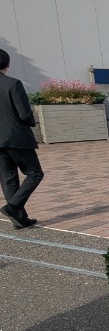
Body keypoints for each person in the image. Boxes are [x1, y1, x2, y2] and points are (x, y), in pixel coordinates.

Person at [0, 49, 43, 229]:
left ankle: (19, 219)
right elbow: (24, 113)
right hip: (16, 137)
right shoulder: (13, 84)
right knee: (34, 174)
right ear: (7, 64)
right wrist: (32, 122)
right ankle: (13, 206)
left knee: (8, 178)